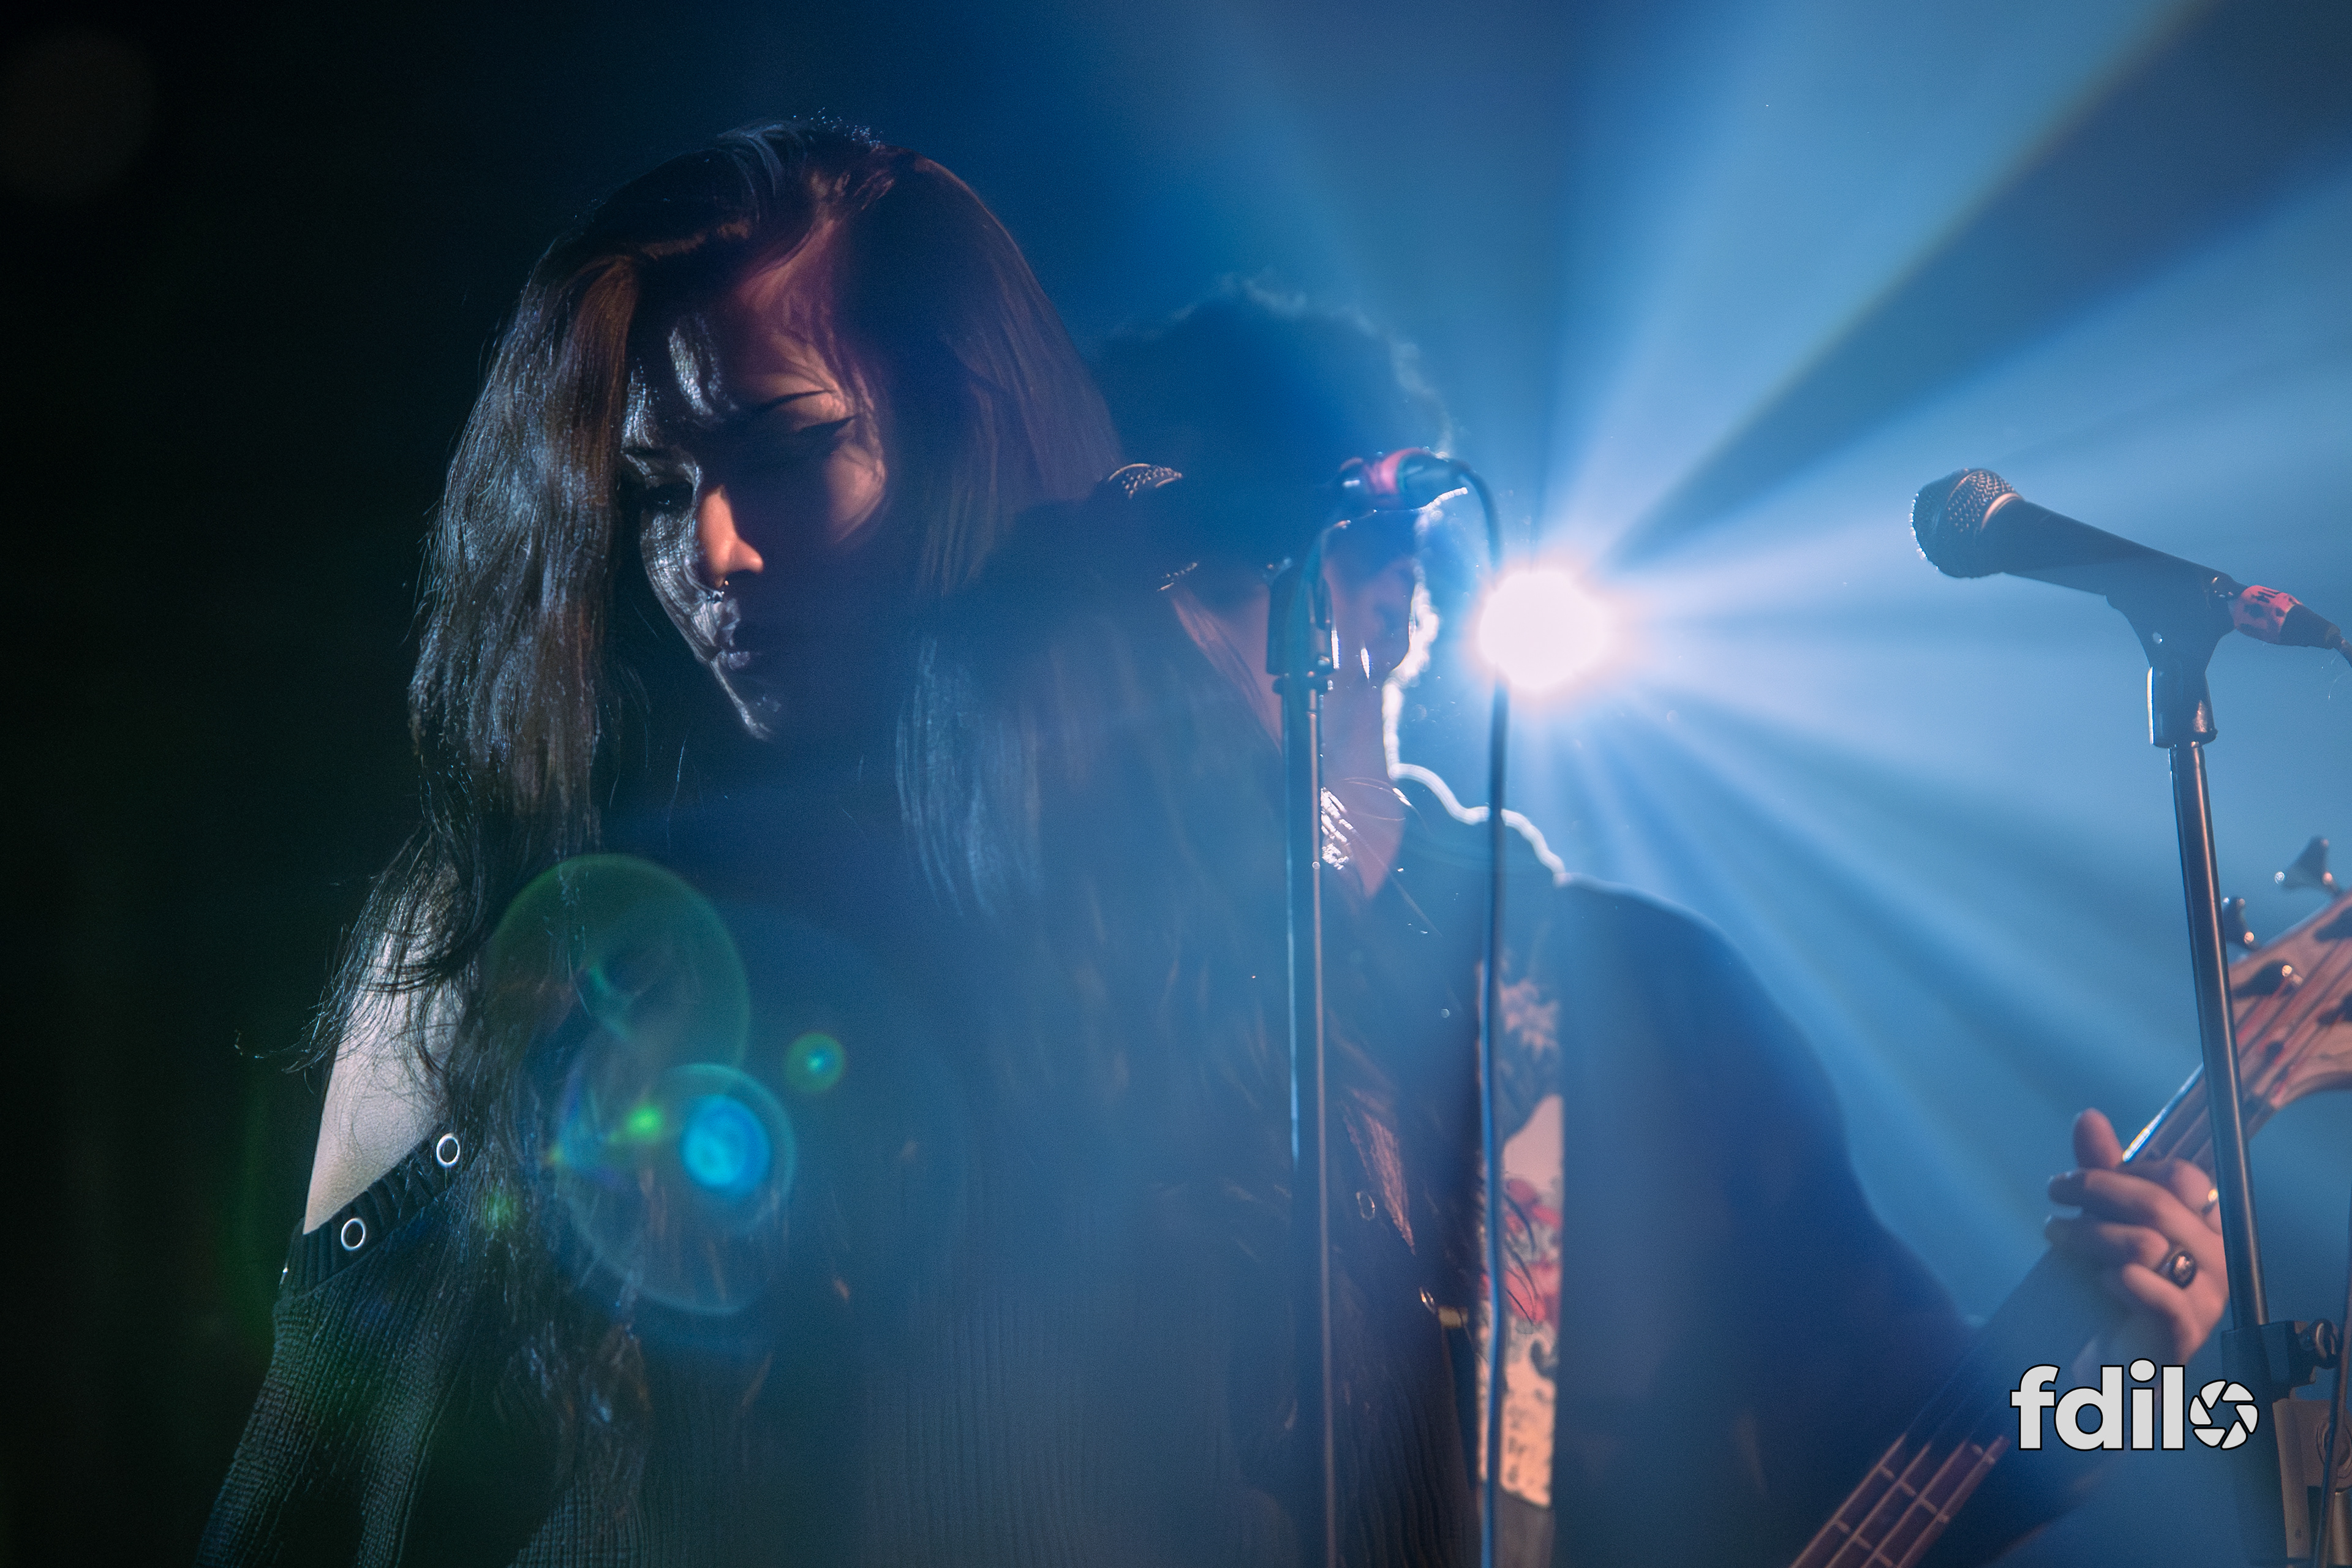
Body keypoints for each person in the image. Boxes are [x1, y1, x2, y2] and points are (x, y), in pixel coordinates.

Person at [206, 123, 1472, 1567]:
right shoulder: (511, 910)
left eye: (790, 447)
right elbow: (312, 1487)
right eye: (659, 490)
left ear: (966, 437)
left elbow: (1373, 1470)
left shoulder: (1197, 898)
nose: (712, 551)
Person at [1090, 285, 2233, 1566]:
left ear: (1387, 596)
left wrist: (2115, 1370)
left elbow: (1913, 1448)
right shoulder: (1098, 995)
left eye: (1201, 572)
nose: (1135, 643)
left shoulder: (1645, 992)